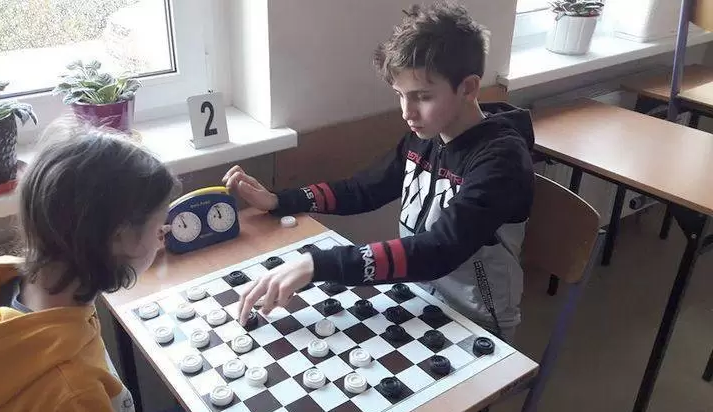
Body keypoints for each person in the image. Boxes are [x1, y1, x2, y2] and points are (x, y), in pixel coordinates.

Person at [224, 1, 534, 343]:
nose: (407, 112)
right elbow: (364, 190)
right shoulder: (427, 136)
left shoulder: (502, 159)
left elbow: (440, 248)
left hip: (476, 319)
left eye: (422, 96)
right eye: (400, 95)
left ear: (469, 88)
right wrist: (280, 200)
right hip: (417, 295)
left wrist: (318, 264)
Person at [0, 120, 207, 412]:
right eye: (157, 226)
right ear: (120, 237)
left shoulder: (1, 280)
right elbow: (75, 408)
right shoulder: (71, 395)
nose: (163, 235)